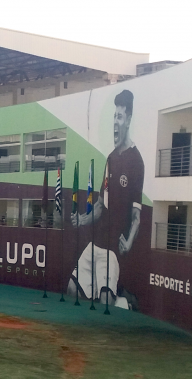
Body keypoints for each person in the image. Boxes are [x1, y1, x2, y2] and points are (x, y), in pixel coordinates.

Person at [68, 90, 143, 310]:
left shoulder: (137, 162)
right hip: (94, 245)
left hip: (111, 251)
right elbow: (101, 205)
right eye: (114, 117)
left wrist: (128, 242)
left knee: (105, 304)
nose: (115, 123)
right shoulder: (110, 158)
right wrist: (82, 219)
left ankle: (124, 302)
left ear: (128, 120)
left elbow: (137, 217)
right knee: (71, 290)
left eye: (119, 117)